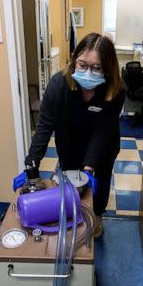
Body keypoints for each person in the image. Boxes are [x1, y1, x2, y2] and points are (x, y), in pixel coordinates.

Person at [22, 32, 125, 237]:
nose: (88, 72)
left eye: (96, 68)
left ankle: (97, 217)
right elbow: (44, 127)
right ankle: (73, 215)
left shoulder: (115, 90)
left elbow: (102, 132)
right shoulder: (58, 86)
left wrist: (89, 167)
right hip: (70, 144)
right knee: (71, 185)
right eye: (82, 64)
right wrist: (32, 161)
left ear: (108, 68)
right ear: (74, 59)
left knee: (99, 185)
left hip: (103, 146)